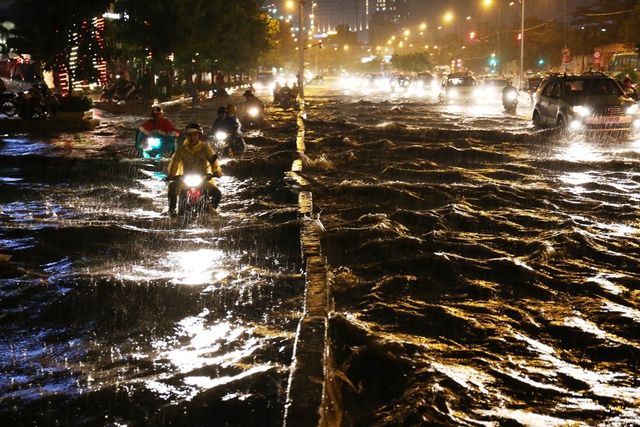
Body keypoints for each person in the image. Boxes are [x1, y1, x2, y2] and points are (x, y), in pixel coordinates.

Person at [166, 123, 223, 216]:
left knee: (217, 193)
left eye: (194, 135)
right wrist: (171, 174)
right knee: (172, 187)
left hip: (202, 180)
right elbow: (175, 162)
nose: (192, 137)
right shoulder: (182, 149)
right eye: (189, 135)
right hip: (184, 180)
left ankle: (212, 208)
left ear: (199, 135)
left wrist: (216, 171)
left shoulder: (205, 148)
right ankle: (171, 210)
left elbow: (213, 161)